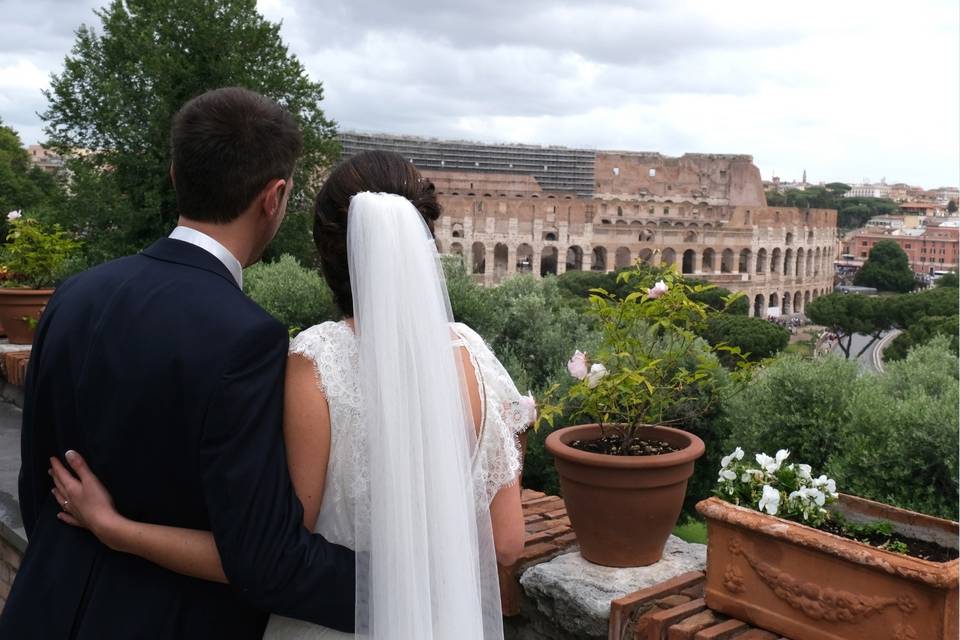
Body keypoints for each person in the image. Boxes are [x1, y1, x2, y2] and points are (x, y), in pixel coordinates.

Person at [47, 150, 529, 639]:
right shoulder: (474, 352)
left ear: (324, 251)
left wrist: (116, 529)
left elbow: (269, 556)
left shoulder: (316, 362)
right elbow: (507, 544)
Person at [0, 87, 356, 640]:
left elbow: (37, 484)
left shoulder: (74, 295)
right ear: (275, 196)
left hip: (42, 605)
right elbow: (262, 557)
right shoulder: (248, 337)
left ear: (174, 175)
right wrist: (401, 587)